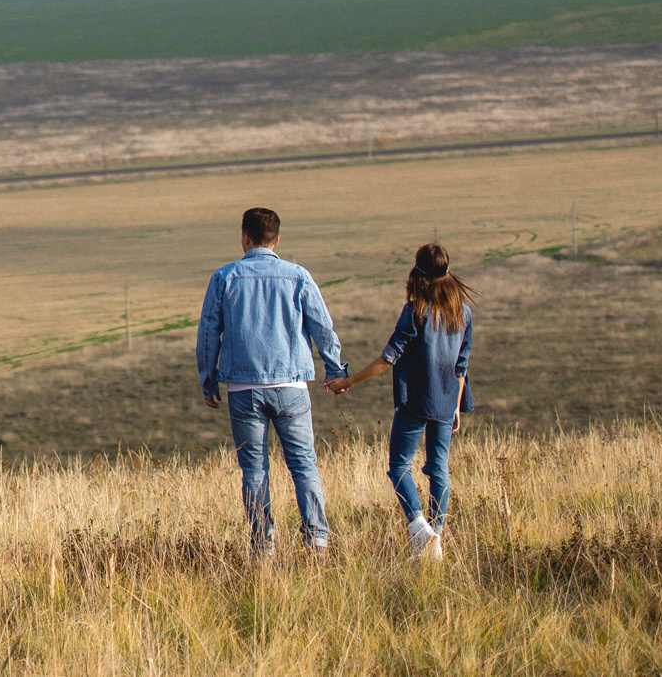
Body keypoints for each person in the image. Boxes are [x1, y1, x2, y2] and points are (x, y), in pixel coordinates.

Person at [197, 206, 349, 555]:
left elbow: (208, 334)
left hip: (243, 389)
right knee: (303, 464)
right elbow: (322, 327)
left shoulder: (224, 278)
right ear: (277, 240)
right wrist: (335, 370)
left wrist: (208, 380)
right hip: (291, 385)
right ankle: (317, 539)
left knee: (253, 469)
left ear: (244, 238)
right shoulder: (298, 276)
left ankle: (262, 543)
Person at [329, 242, 474, 561]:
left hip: (415, 401)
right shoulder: (463, 313)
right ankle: (437, 536)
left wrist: (348, 381)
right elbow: (461, 366)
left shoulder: (415, 311)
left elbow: (388, 358)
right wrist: (456, 406)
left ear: (417, 273)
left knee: (398, 467)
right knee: (439, 469)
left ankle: (421, 530)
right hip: (446, 402)